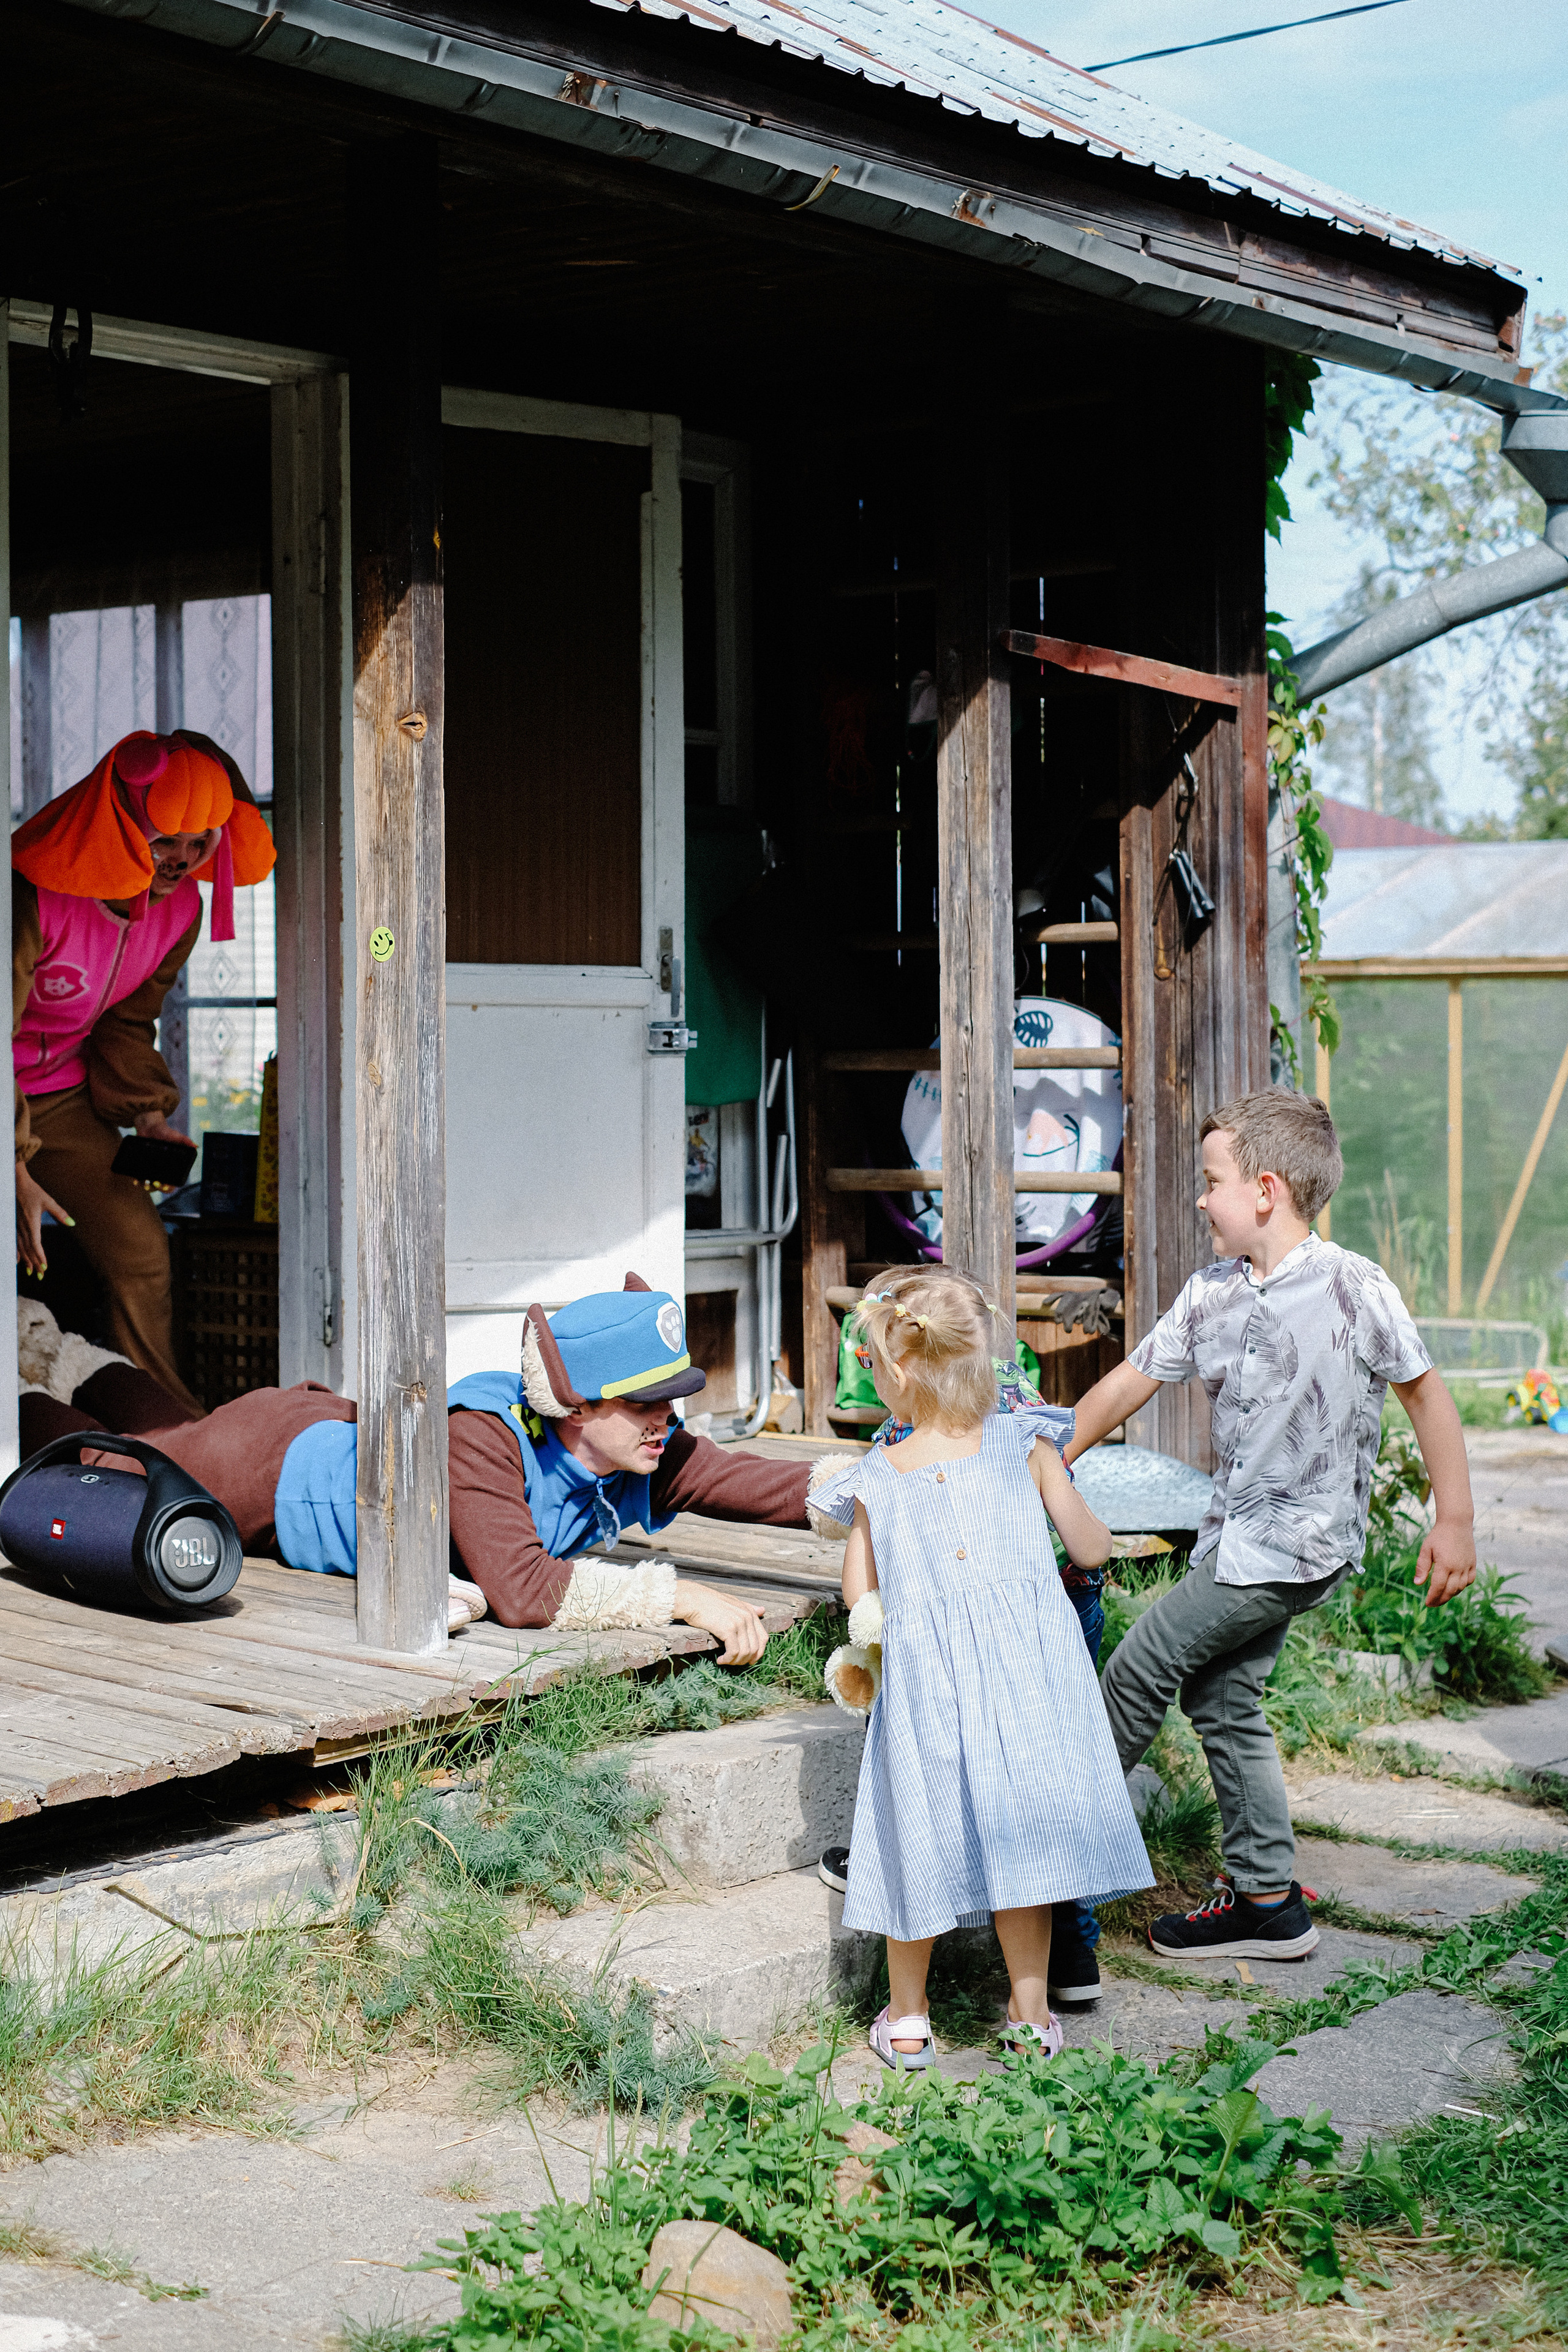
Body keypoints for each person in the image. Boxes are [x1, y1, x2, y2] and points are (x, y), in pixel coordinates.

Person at [1067, 1088, 1476, 1962]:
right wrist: (1049, 1456)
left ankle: (1051, 1854)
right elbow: (1129, 1383)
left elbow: (1424, 1394)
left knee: (1139, 1668)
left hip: (1294, 1545)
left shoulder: (1353, 1288)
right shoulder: (1211, 1294)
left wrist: (1457, 1520)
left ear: (1264, 1190)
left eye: (1211, 1181)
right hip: (1236, 1540)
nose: (1202, 1199)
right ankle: (1267, 1899)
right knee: (1222, 1696)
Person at [20, 1277, 843, 1652]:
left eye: (673, 1399)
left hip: (329, 1428)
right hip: (267, 1470)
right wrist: (684, 1594)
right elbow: (524, 1593)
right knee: (108, 1464)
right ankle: (21, 1371)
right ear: (579, 1404)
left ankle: (54, 1348)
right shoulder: (483, 1435)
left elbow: (753, 1483)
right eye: (646, 1403)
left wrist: (887, 1488)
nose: (668, 1419)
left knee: (173, 1424)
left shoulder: (642, 1448)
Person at [809, 1267, 1153, 2068]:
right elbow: (1093, 1548)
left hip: (930, 1690)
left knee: (914, 1838)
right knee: (1025, 1847)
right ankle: (1030, 2018)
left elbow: (859, 1594)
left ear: (895, 1371)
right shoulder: (1025, 1444)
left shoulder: (877, 1480)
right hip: (1031, 1687)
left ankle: (906, 2020)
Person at [13, 728, 276, 1416]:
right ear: (123, 822)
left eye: (201, 844)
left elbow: (127, 1023)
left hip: (62, 1103)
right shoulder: (33, 897)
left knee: (141, 1250)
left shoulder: (180, 911)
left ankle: (163, 1423)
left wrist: (149, 1112)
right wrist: (14, 1168)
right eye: (167, 841)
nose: (183, 860)